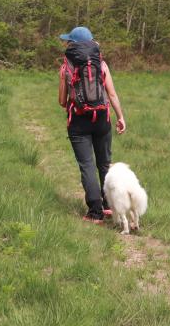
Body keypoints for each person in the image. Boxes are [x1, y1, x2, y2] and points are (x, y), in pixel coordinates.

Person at [58, 26, 126, 224]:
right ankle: (108, 205)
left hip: (78, 122)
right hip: (102, 118)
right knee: (104, 163)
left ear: (72, 44)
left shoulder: (66, 67)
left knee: (87, 165)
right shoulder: (101, 64)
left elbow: (62, 101)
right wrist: (120, 116)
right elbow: (111, 94)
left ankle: (95, 213)